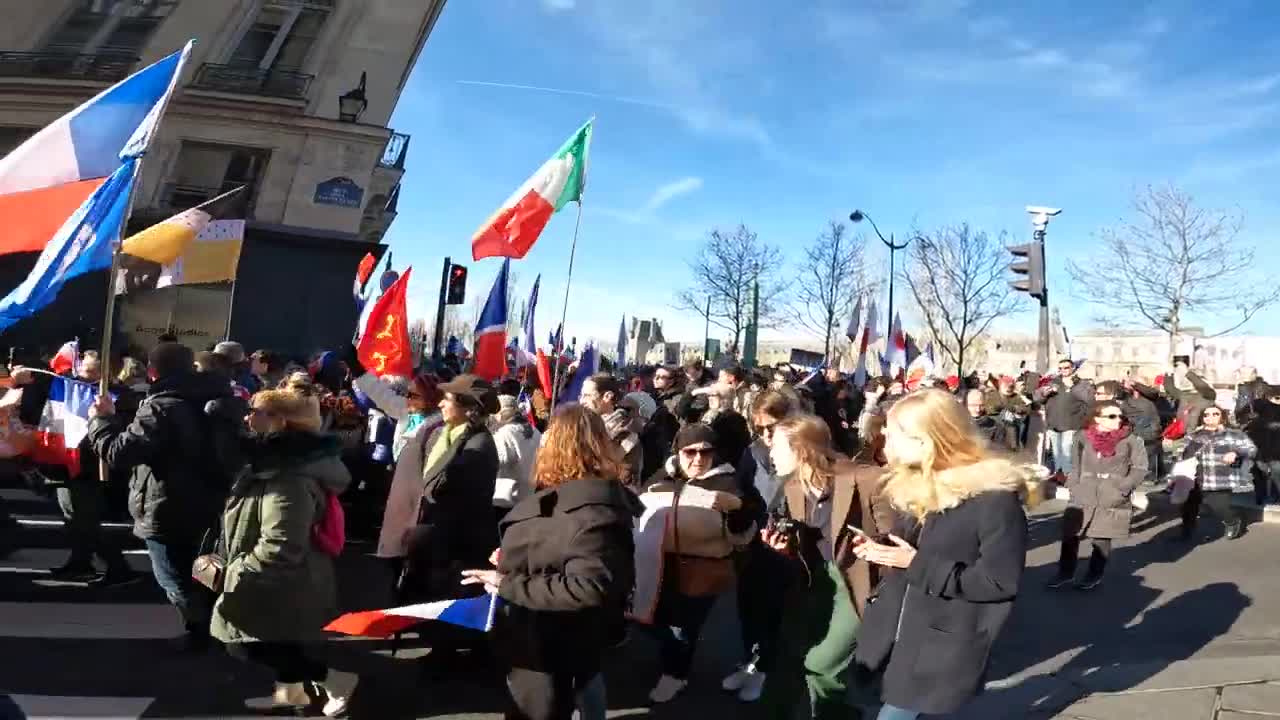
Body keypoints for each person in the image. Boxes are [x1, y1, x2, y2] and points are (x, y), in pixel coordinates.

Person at [852, 389, 1031, 720]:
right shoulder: (913, 483)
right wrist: (884, 551)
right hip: (893, 633)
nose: (883, 442)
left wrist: (916, 563)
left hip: (939, 645)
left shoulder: (993, 500)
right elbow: (922, 550)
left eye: (892, 435)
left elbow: (999, 582)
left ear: (925, 440)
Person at [462, 404, 640, 720]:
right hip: (544, 638)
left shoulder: (593, 511)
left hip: (553, 643)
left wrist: (507, 582)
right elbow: (558, 547)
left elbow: (588, 585)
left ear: (556, 446)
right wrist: (513, 556)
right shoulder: (573, 496)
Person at [89, 342, 245, 650]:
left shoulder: (162, 405)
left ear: (152, 371)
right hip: (211, 498)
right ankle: (218, 625)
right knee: (203, 571)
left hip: (165, 503)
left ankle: (204, 632)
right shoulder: (219, 397)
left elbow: (120, 453)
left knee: (172, 577)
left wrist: (101, 421)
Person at [211, 383, 352, 714]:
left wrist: (236, 574)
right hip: (284, 577)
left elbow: (281, 544)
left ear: (282, 421)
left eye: (257, 412)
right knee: (276, 640)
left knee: (244, 643)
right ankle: (295, 696)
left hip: (286, 577)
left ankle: (336, 681)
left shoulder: (289, 475)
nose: (248, 419)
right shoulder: (270, 461)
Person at [758, 414, 893, 719]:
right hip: (812, 581)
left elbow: (899, 535)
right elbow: (802, 546)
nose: (771, 454)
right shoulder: (791, 485)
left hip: (855, 583)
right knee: (790, 658)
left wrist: (875, 547)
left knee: (822, 665)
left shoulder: (865, 479)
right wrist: (785, 548)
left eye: (777, 446)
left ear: (801, 449)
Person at [642, 424, 754, 704]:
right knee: (653, 622)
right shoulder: (665, 475)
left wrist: (737, 508)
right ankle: (672, 663)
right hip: (658, 565)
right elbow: (642, 497)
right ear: (677, 453)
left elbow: (744, 531)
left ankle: (675, 675)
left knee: (682, 629)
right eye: (689, 452)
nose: (698, 458)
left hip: (701, 571)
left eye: (706, 452)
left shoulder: (728, 483)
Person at [399, 374, 500, 606]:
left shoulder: (478, 448)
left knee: (443, 616)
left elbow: (454, 502)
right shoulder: (443, 434)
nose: (440, 403)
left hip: (454, 550)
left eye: (447, 399)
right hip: (436, 539)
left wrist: (423, 534)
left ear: (469, 408)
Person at [722, 390, 796, 702]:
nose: (766, 435)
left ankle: (766, 669)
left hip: (787, 548)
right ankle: (750, 662)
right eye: (761, 428)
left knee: (775, 613)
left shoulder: (800, 451)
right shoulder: (752, 452)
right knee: (748, 608)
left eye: (773, 427)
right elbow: (741, 491)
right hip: (754, 543)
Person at [350, 363, 445, 572]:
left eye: (414, 395)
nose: (408, 398)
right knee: (397, 541)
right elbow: (382, 396)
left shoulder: (440, 427)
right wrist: (359, 372)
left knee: (410, 546)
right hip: (400, 481)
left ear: (431, 398)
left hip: (419, 492)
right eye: (408, 394)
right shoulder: (407, 412)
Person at [1048, 400, 1147, 591]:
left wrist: (1123, 487)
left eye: (1120, 416)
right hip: (1084, 490)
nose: (1118, 419)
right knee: (1070, 534)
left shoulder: (1131, 440)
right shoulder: (1083, 437)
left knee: (1102, 537)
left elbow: (1140, 468)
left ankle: (1094, 574)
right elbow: (1074, 464)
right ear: (1097, 418)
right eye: (1112, 416)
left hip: (1112, 492)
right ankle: (1065, 573)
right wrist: (1073, 484)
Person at [1181, 405, 1257, 541]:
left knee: (1218, 505)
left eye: (1215, 414)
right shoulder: (1194, 435)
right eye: (1206, 414)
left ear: (1222, 416)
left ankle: (1233, 520)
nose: (1210, 417)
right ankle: (1186, 532)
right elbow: (1183, 452)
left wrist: (1236, 452)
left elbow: (1251, 449)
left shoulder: (1233, 433)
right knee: (1189, 506)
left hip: (1220, 477)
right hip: (1194, 477)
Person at [579, 373, 644, 486]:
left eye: (587, 396)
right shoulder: (588, 424)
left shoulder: (625, 430)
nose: (581, 401)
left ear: (607, 396)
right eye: (581, 396)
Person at [1034, 358, 1094, 478]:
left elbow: (1089, 398)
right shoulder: (1053, 382)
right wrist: (1043, 393)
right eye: (1060, 368)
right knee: (1056, 451)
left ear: (1073, 368)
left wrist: (1072, 386)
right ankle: (1058, 472)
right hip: (1054, 422)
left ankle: (1067, 474)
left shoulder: (1082, 383)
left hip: (1072, 422)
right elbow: (1036, 398)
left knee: (1067, 449)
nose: (1063, 370)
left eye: (1066, 367)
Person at [491, 393, 542, 513]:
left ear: (501, 414)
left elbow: (496, 462)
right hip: (529, 493)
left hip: (508, 499)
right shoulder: (534, 430)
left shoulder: (504, 434)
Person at [1245, 385, 1280, 506]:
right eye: (1275, 398)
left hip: (1276, 448)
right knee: (1259, 472)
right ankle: (1261, 495)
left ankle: (1276, 496)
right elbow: (1242, 416)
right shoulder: (1257, 405)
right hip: (1259, 445)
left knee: (1277, 471)